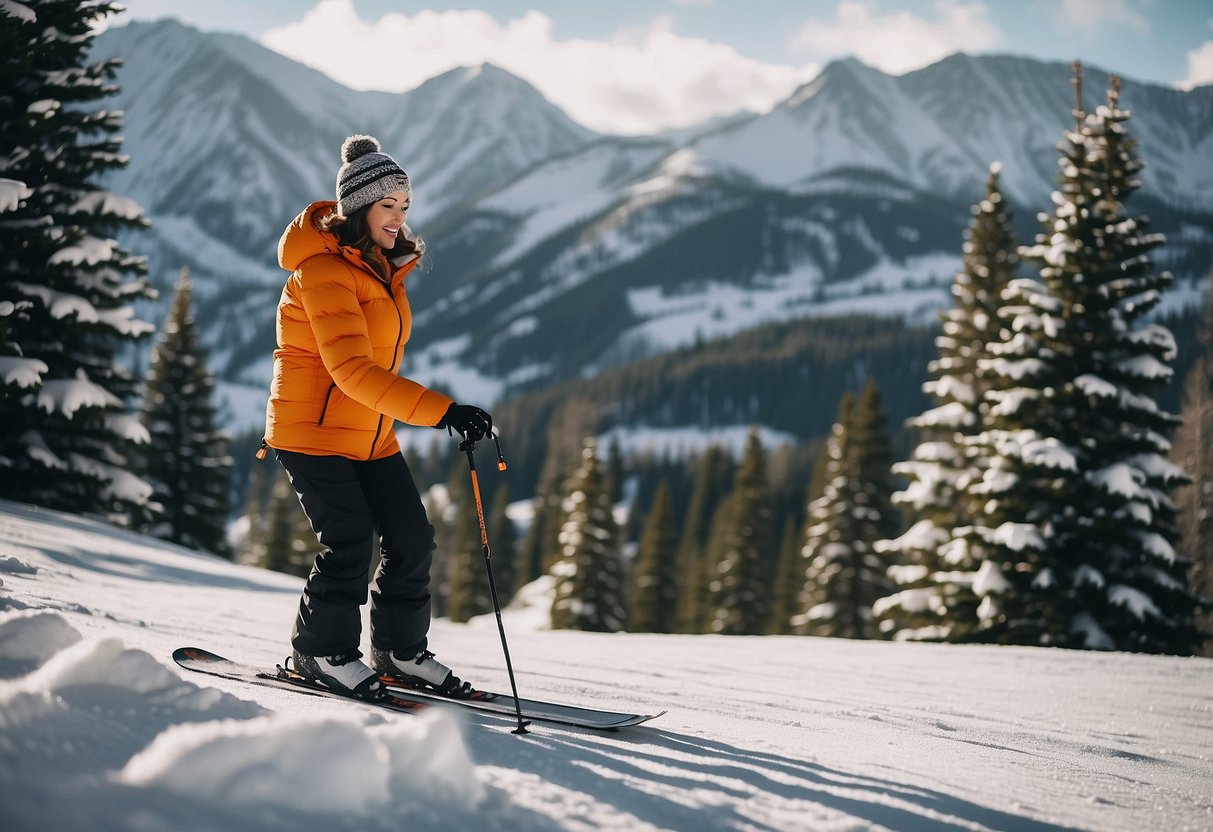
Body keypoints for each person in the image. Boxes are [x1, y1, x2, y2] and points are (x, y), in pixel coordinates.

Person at [262, 134, 493, 700]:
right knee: (348, 543)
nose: (399, 218)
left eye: (405, 207)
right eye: (388, 206)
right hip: (311, 431)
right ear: (358, 208)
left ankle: (399, 653)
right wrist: (445, 411)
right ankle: (318, 653)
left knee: (412, 538)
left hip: (369, 431)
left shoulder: (381, 268)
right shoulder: (321, 272)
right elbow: (353, 372)